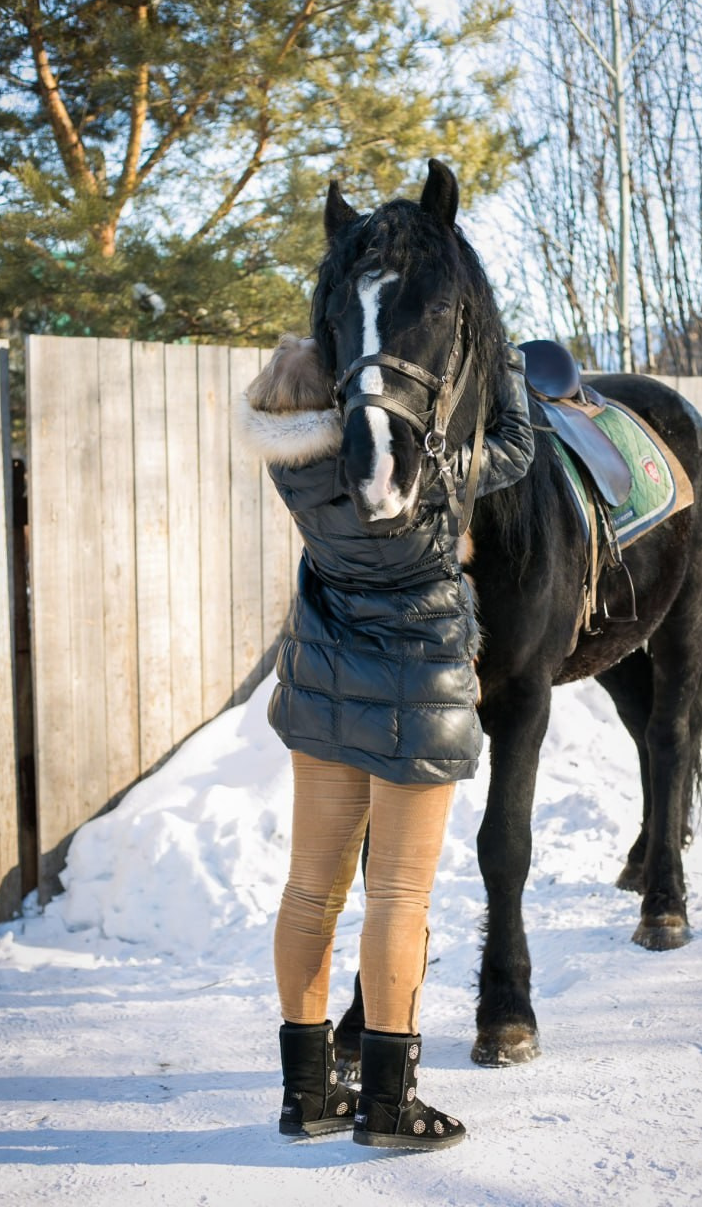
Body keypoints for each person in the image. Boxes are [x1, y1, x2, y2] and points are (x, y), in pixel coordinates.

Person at [237, 332, 534, 1150]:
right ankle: (388, 1106)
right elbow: (510, 450)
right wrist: (501, 367)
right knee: (399, 897)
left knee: (309, 892)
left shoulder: (288, 464)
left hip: (322, 682)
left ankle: (307, 1098)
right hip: (415, 687)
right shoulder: (414, 469)